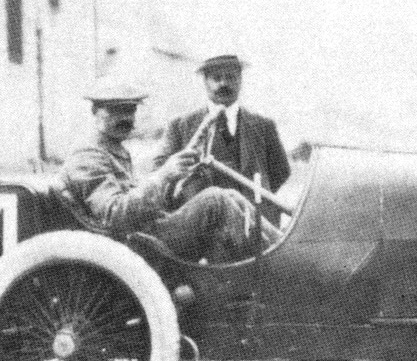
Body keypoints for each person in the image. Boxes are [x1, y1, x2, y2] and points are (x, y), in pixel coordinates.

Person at [62, 84, 269, 263]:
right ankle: (274, 264)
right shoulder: (87, 155)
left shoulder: (113, 148)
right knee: (216, 201)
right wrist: (164, 175)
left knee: (230, 196)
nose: (125, 118)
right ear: (95, 111)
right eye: (116, 111)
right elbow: (114, 214)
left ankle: (278, 248)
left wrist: (174, 180)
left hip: (143, 235)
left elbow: (138, 200)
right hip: (132, 244)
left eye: (130, 110)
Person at [153, 53, 290, 224]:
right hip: (203, 226)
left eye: (230, 77)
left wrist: (256, 195)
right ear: (205, 82)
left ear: (240, 80)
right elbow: (160, 172)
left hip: (255, 222)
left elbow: (281, 172)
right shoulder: (180, 126)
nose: (223, 84)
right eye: (216, 78)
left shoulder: (263, 126)